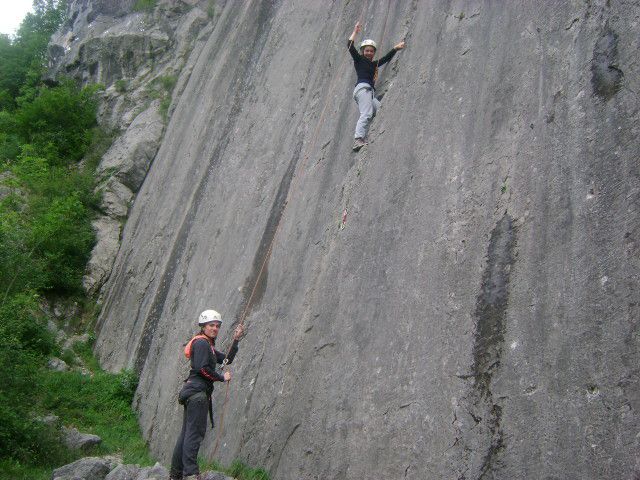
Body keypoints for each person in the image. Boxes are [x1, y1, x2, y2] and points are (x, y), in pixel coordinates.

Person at [170, 309, 244, 480]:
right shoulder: (202, 344)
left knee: (186, 434)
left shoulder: (207, 346)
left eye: (217, 326)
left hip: (193, 393)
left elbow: (227, 359)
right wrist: (221, 377)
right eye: (211, 325)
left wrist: (236, 339)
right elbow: (202, 369)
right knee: (194, 434)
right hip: (197, 394)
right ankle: (191, 473)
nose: (215, 328)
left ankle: (175, 474)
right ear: (203, 326)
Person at [348, 21, 405, 151]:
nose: (369, 53)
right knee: (366, 113)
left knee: (381, 109)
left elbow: (385, 58)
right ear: (362, 52)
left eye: (371, 51)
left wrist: (396, 48)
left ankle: (373, 134)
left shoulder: (374, 64)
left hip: (370, 93)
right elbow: (350, 46)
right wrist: (355, 32)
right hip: (363, 89)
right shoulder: (359, 60)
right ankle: (358, 139)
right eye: (367, 50)